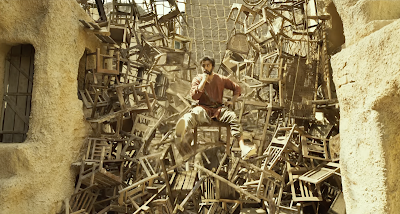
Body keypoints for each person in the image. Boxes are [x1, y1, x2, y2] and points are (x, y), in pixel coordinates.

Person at [175, 56, 257, 159]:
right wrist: (203, 82)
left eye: (208, 65)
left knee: (232, 116)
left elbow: (237, 88)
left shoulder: (220, 79)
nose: (205, 68)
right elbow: (194, 96)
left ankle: (243, 147)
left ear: (212, 67)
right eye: (203, 66)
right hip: (203, 108)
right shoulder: (198, 79)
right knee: (192, 114)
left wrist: (232, 101)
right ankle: (181, 135)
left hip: (218, 109)